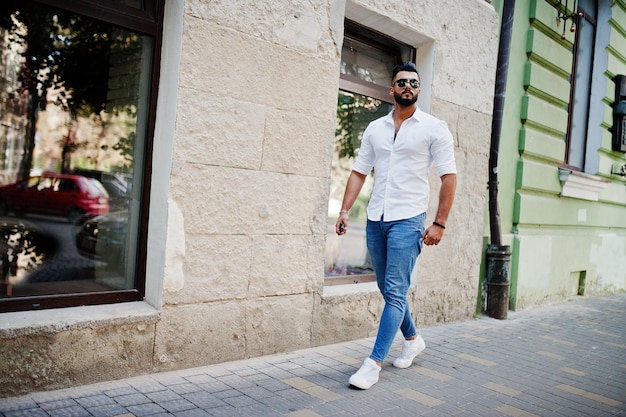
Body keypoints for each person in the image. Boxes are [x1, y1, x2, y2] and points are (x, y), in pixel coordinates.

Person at [335, 62, 457, 390]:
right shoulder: (375, 128)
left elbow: (449, 176)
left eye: (413, 83)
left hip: (409, 219)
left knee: (395, 292)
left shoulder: (434, 127)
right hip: (377, 217)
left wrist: (439, 223)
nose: (407, 87)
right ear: (391, 89)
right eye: (401, 82)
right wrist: (345, 210)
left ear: (419, 89)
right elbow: (360, 171)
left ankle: (372, 363)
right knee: (390, 290)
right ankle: (413, 339)